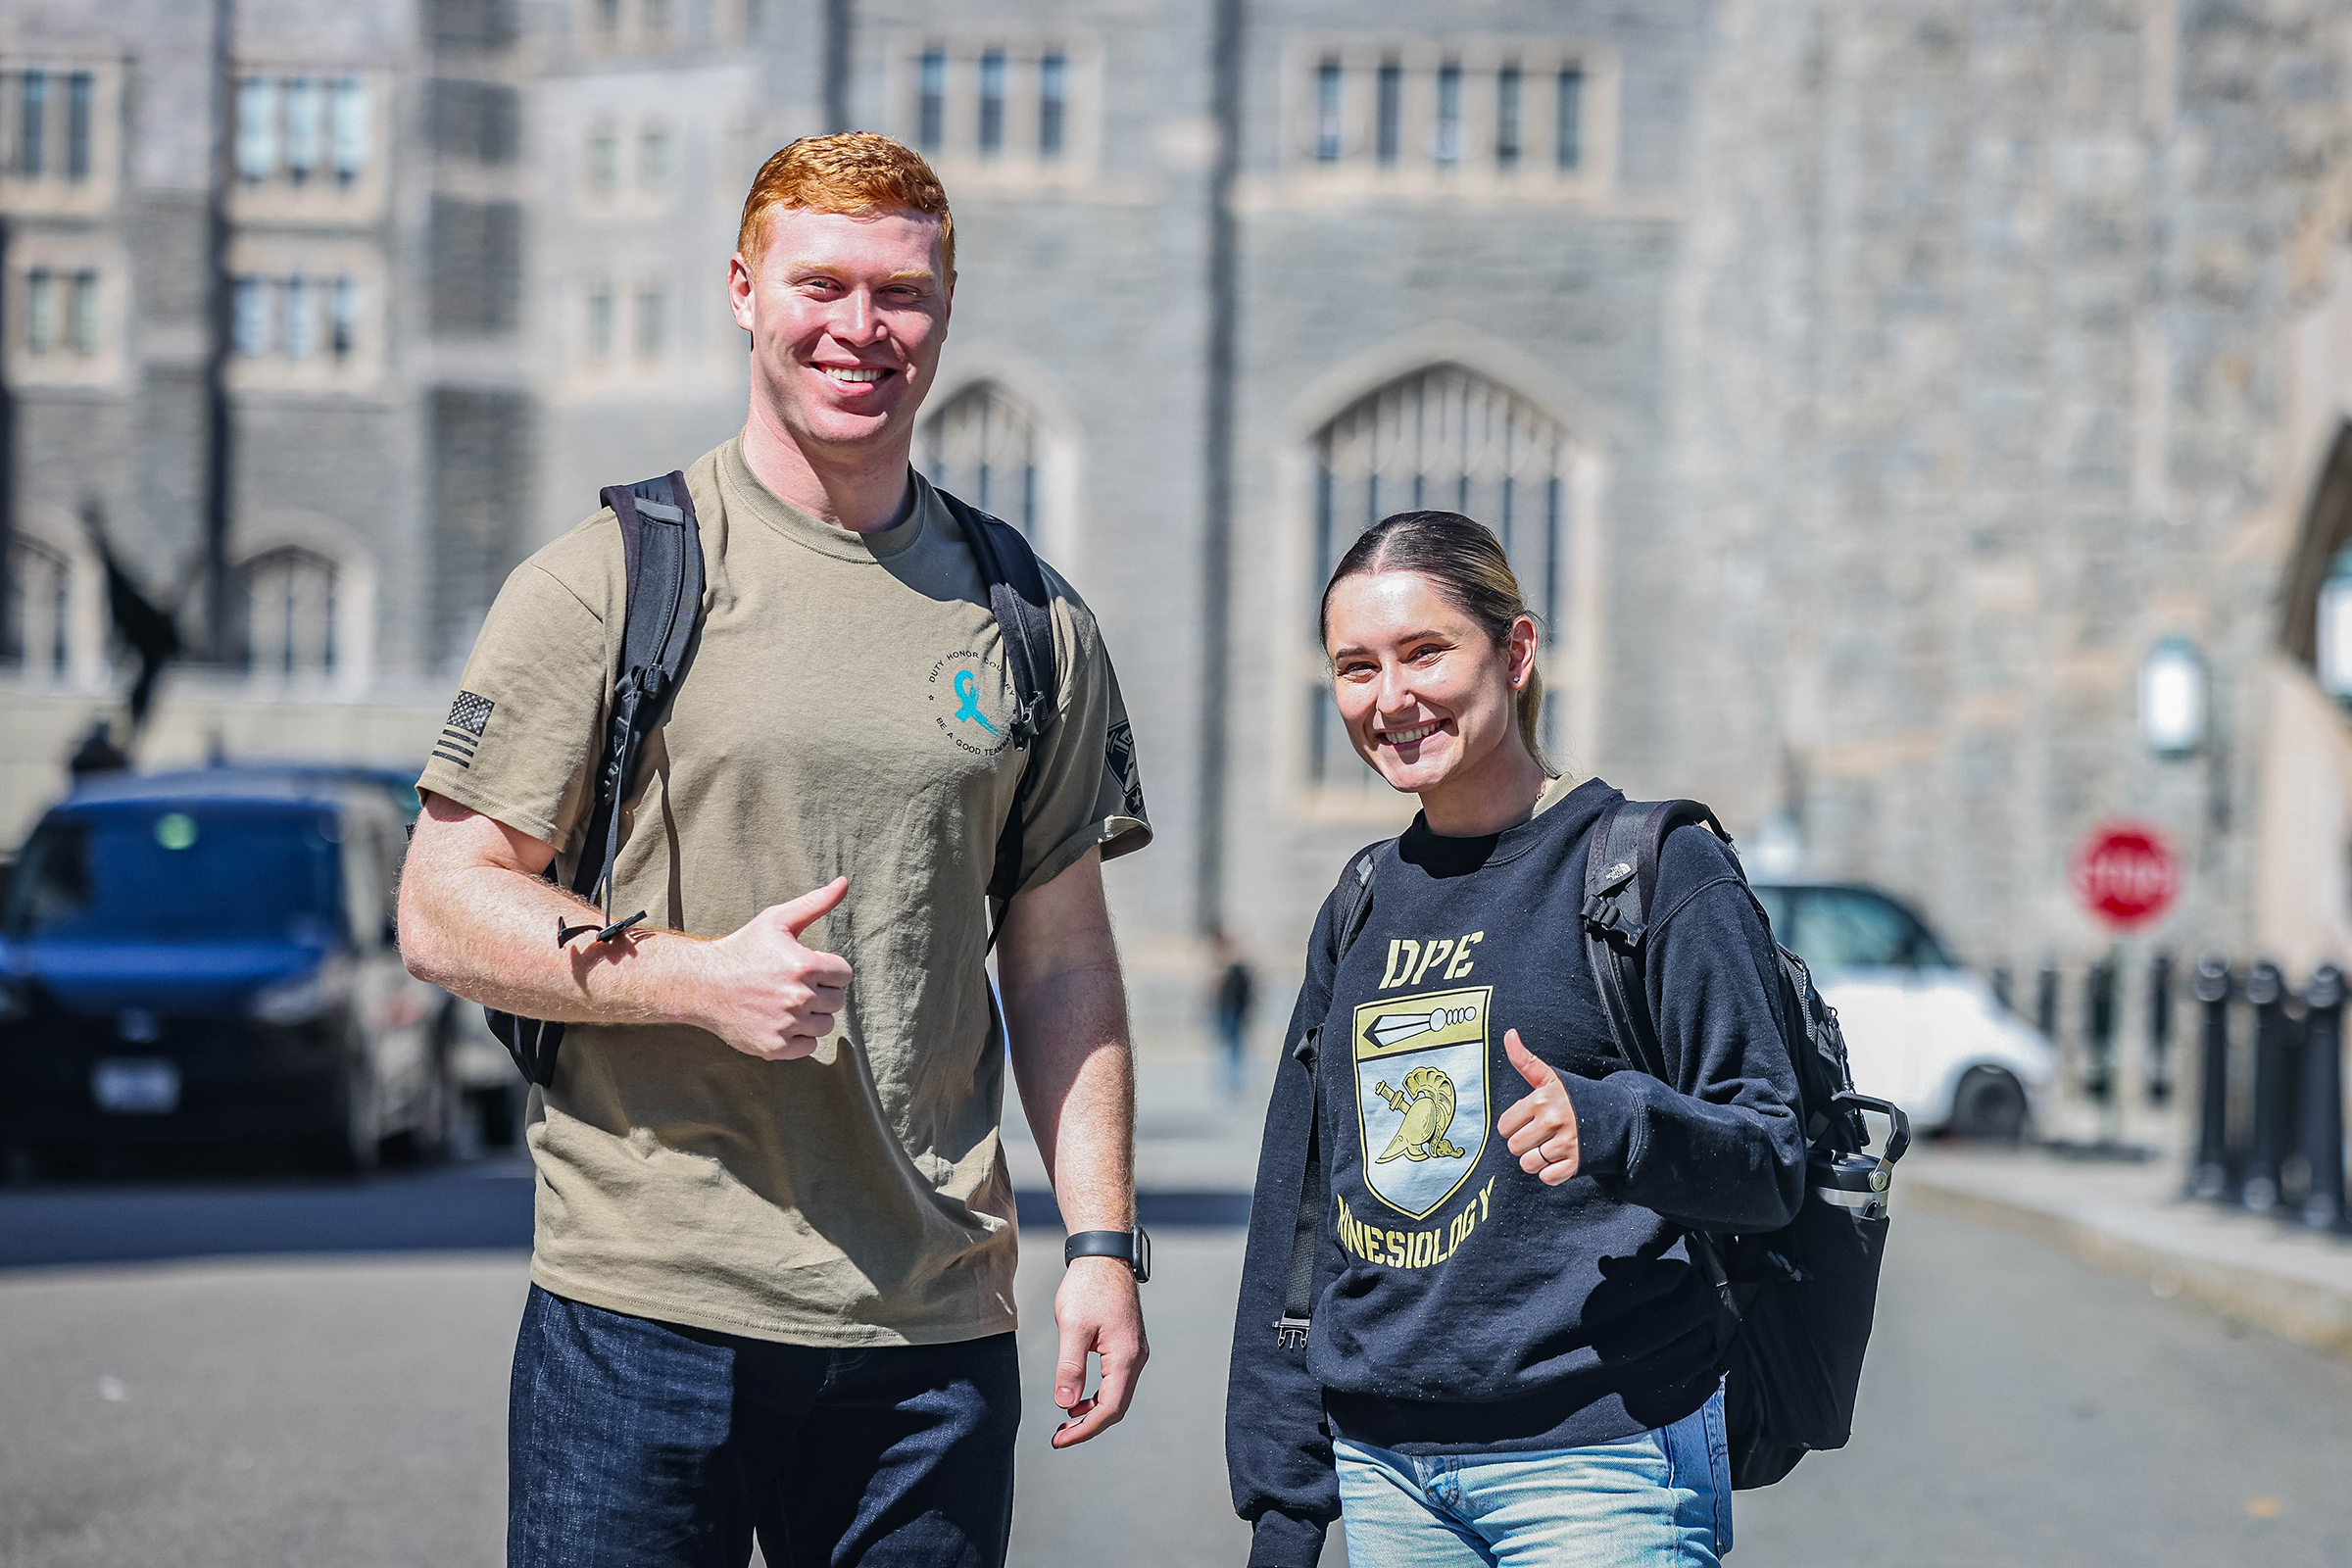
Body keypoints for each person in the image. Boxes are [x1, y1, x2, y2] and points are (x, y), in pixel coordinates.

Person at [397, 133, 1153, 1568]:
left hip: (927, 1334)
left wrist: (1103, 1246)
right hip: (640, 1310)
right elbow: (442, 907)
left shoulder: (1031, 620)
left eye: (902, 293)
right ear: (744, 291)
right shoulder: (612, 577)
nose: (860, 330)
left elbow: (1062, 966)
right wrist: (686, 980)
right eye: (822, 284)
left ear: (943, 311)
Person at [1225, 512, 1804, 1568]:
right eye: (1356, 666)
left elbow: (1770, 1159)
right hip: (1388, 1473)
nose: (1390, 697)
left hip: (1602, 1466)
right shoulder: (1360, 900)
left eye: (1425, 652)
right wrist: (1283, 1498)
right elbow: (1300, 1208)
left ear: (1517, 651)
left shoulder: (1654, 870)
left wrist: (1618, 1119)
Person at [1208, 924, 1255, 1099]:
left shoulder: (1237, 970)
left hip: (1236, 1011)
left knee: (1236, 1049)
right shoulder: (1225, 969)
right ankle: (1230, 1085)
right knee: (1230, 1049)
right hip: (1228, 1011)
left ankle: (1235, 1085)